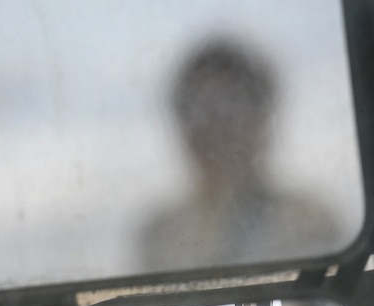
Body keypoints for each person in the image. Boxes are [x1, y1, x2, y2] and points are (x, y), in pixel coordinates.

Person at [138, 40, 341, 272]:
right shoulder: (160, 234)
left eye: (229, 108)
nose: (212, 128)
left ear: (262, 119)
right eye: (195, 109)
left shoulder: (307, 224)